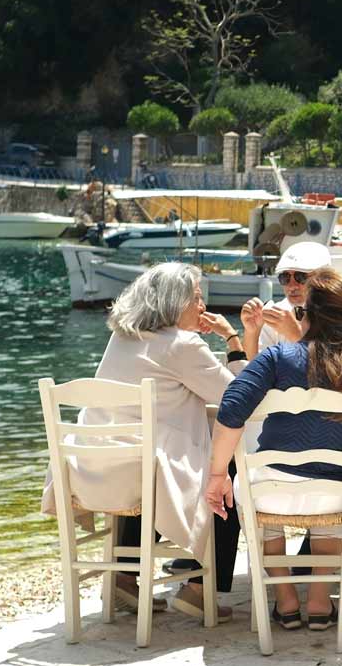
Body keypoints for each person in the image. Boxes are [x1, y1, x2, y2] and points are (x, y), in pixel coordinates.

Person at [207, 270, 342, 632]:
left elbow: (231, 407)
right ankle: (320, 601)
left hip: (271, 493)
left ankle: (286, 600)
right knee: (337, 488)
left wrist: (217, 475)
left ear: (307, 314)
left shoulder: (278, 357)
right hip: (339, 494)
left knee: (254, 492)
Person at [44, 263, 248, 618]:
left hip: (94, 467)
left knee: (149, 456)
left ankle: (124, 576)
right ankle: (201, 590)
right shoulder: (183, 345)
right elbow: (237, 395)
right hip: (143, 474)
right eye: (196, 298)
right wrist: (232, 340)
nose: (202, 307)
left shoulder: (121, 337)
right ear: (174, 302)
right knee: (225, 465)